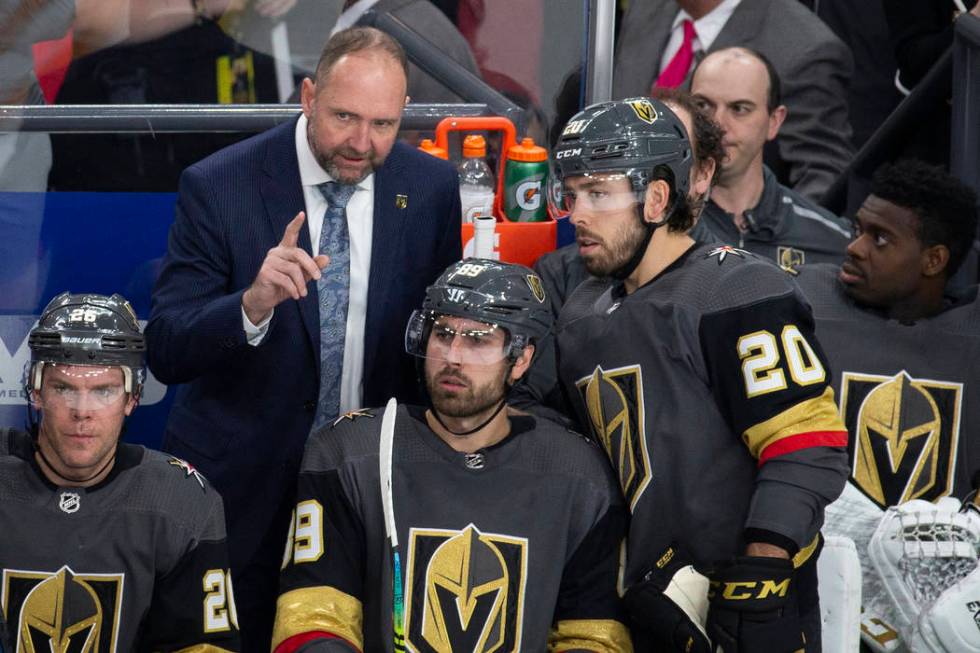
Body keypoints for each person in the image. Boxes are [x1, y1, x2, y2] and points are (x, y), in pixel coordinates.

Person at [145, 26, 462, 651]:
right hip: (240, 488)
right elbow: (167, 346)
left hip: (367, 488)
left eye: (384, 124)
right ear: (309, 96)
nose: (362, 142)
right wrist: (251, 305)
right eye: (345, 116)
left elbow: (431, 339)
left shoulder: (428, 189)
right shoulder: (219, 185)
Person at [552, 97, 849, 651]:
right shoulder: (580, 312)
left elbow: (807, 445)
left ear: (658, 198)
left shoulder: (737, 291)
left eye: (597, 194)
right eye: (570, 194)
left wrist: (765, 565)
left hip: (747, 596)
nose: (577, 215)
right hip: (643, 603)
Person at [272, 259, 632, 652]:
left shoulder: (579, 475)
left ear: (522, 359)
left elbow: (594, 638)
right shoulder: (350, 452)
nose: (453, 356)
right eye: (443, 334)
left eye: (478, 339)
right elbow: (310, 620)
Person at [792, 160, 980, 649]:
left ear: (934, 260)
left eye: (880, 239)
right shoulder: (802, 303)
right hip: (811, 585)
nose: (852, 248)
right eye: (857, 229)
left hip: (943, 608)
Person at [0, 292, 239, 652]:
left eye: (104, 391)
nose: (82, 411)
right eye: (63, 388)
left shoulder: (182, 501)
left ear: (132, 398)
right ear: (35, 391)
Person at [512, 90, 723, 426]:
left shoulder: (736, 286)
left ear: (700, 174)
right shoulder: (562, 280)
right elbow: (522, 400)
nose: (578, 215)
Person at [613, 0, 854, 201]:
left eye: (740, 109)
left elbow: (822, 177)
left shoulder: (803, 48)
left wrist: (754, 250)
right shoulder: (646, 7)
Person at [690, 47, 852, 270]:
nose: (717, 125)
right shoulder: (653, 223)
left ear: (775, 121)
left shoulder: (832, 242)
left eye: (739, 108)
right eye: (702, 105)